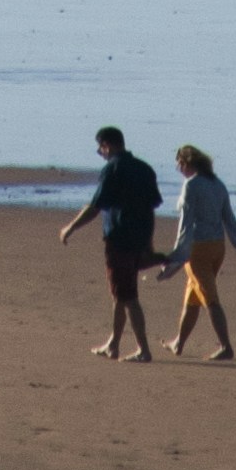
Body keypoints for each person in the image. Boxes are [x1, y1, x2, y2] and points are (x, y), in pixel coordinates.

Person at [58, 123, 162, 360]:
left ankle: (143, 349)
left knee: (128, 296)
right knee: (119, 293)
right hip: (139, 237)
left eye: (100, 149)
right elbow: (151, 208)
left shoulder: (112, 169)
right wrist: (149, 243)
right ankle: (113, 344)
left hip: (119, 238)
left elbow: (95, 207)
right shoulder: (145, 169)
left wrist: (70, 228)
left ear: (107, 145)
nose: (100, 154)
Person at [150, 141, 236, 360]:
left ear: (188, 162)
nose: (178, 168)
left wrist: (177, 255)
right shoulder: (218, 184)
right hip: (218, 247)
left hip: (198, 249)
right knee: (193, 296)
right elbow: (229, 218)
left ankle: (226, 347)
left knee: (210, 299)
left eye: (179, 163)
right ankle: (179, 342)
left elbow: (185, 224)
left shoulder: (192, 185)